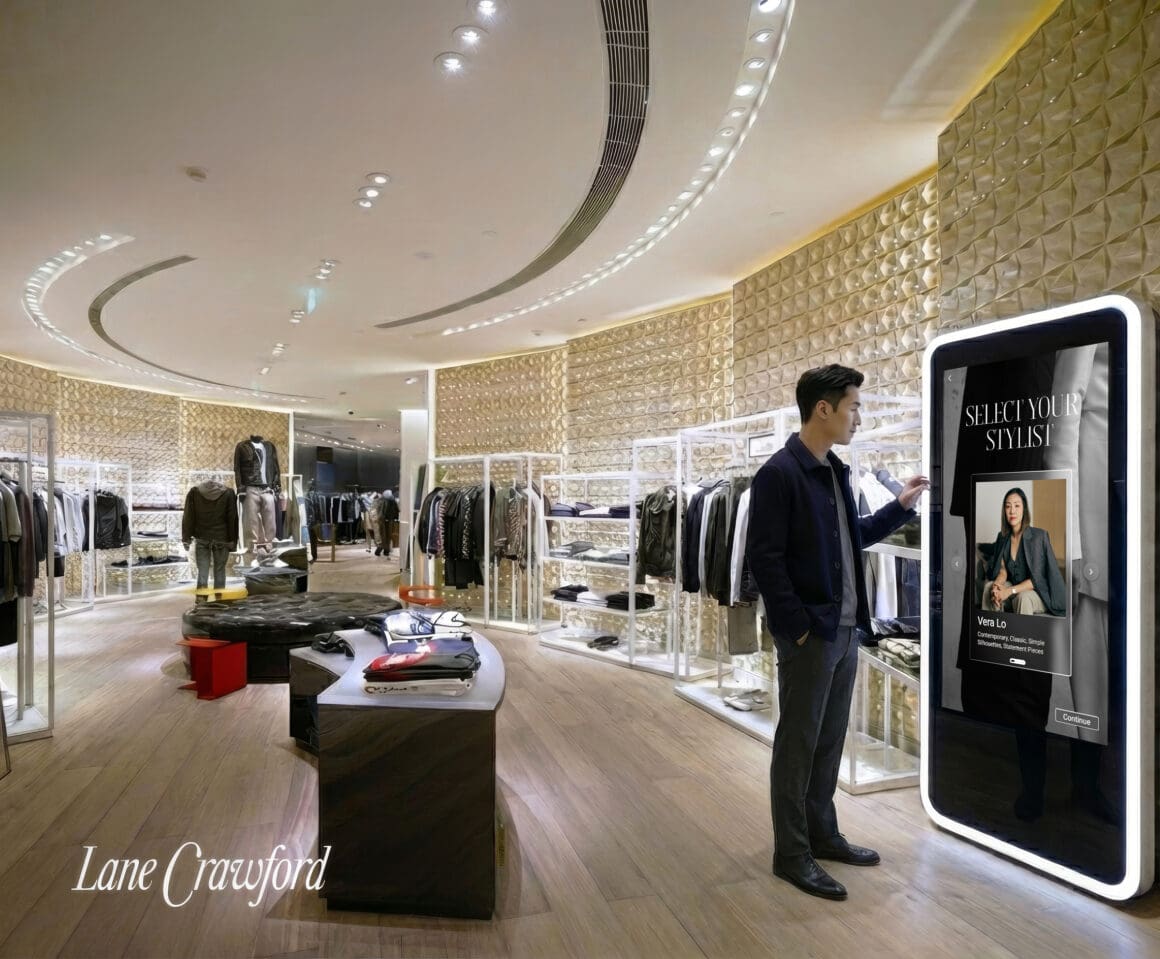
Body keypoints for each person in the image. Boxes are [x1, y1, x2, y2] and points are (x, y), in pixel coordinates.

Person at [746, 365, 928, 901]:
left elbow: (855, 536)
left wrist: (900, 507)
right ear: (823, 408)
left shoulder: (835, 471)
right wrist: (799, 629)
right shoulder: (779, 474)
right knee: (798, 744)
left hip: (847, 631)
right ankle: (791, 852)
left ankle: (822, 835)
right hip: (814, 635)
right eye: (853, 406)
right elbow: (764, 560)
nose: (858, 418)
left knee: (828, 741)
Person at [980, 487, 1066, 617]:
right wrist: (997, 585)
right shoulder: (1002, 537)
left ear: (1024, 509)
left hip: (1038, 592)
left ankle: (1022, 631)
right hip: (1015, 587)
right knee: (989, 588)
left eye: (1017, 506)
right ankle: (992, 628)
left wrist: (1009, 591)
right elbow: (1003, 570)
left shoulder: (1038, 537)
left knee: (1023, 597)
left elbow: (1036, 579)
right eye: (1008, 506)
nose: (1012, 511)